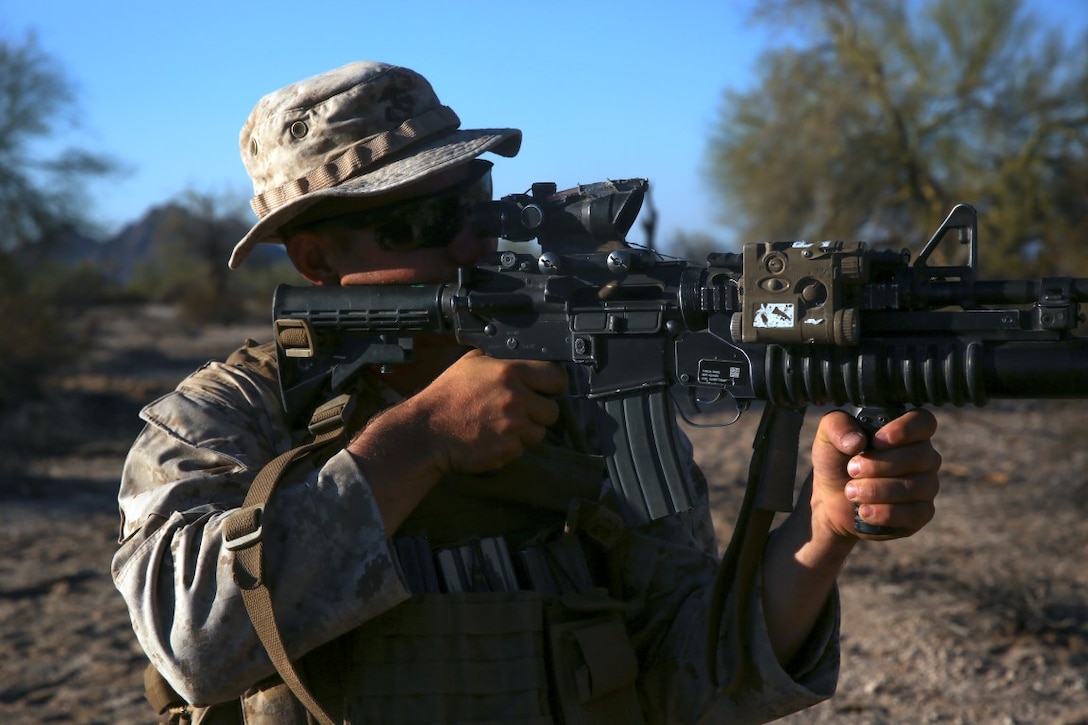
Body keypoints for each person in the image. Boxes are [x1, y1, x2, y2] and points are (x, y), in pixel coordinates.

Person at [112, 61, 942, 724]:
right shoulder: (222, 418)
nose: (472, 241)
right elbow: (197, 645)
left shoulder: (580, 399)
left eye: (474, 202)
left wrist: (820, 529)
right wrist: (421, 438)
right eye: (419, 223)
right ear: (317, 262)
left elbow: (692, 677)